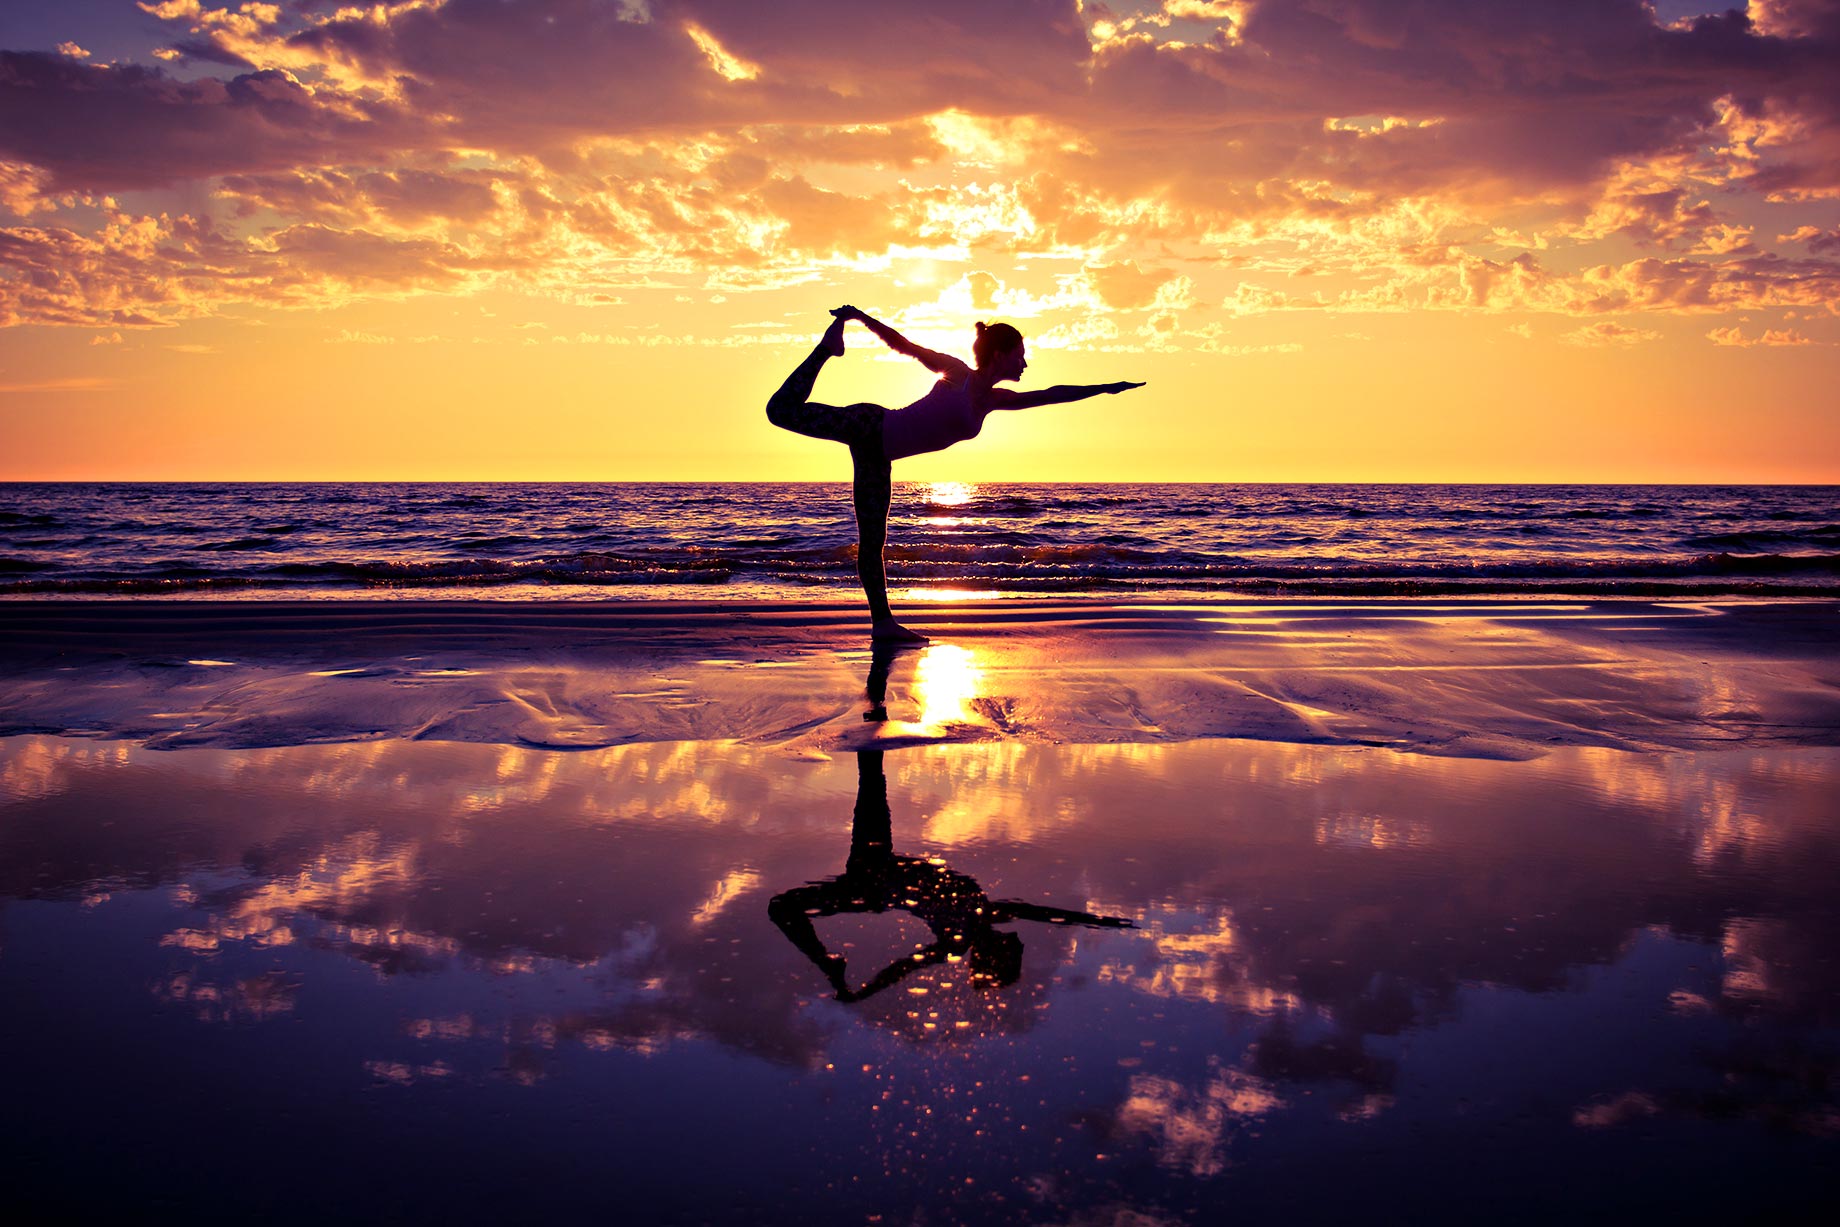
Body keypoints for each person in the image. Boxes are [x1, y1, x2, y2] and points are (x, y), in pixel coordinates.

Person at [766, 305, 1145, 641]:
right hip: (870, 425)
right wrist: (861, 319)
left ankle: (882, 623)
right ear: (1000, 354)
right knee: (779, 411)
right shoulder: (956, 372)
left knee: (872, 543)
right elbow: (905, 346)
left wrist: (1106, 388)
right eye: (1020, 355)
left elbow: (1053, 393)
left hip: (879, 457)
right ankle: (826, 350)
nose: (1024, 364)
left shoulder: (995, 401)